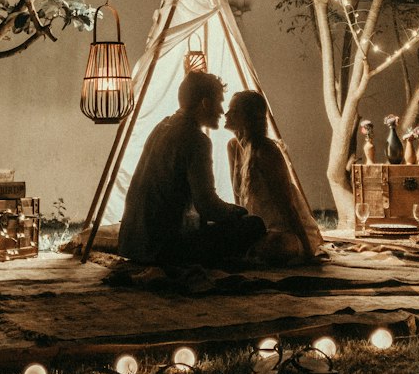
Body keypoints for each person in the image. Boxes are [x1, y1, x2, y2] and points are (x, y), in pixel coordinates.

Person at [118, 70, 266, 279]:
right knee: (254, 225)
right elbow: (208, 206)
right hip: (163, 249)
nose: (222, 111)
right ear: (205, 103)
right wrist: (238, 211)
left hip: (132, 243)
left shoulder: (161, 126)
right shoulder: (196, 140)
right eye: (219, 102)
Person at [225, 90, 326, 263]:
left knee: (272, 245)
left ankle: (297, 246)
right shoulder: (233, 147)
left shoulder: (266, 150)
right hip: (258, 229)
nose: (226, 114)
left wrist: (307, 250)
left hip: (286, 230)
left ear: (248, 118)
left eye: (234, 111)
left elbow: (287, 204)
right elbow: (239, 200)